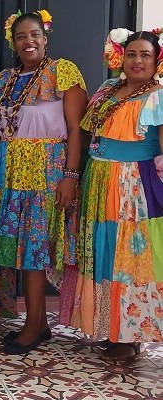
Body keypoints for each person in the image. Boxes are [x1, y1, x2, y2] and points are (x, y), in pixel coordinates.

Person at [0, 10, 87, 354]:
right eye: (21, 37)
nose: (28, 41)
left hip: (47, 169)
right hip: (11, 169)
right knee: (19, 246)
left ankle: (32, 325)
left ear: (45, 38)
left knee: (34, 246)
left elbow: (76, 129)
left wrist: (70, 176)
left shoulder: (63, 72)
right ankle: (38, 323)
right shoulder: (4, 79)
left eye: (34, 35)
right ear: (12, 43)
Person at [64, 29, 163, 361]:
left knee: (129, 259)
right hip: (98, 180)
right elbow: (87, 130)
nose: (137, 61)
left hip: (132, 186)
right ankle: (109, 326)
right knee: (103, 252)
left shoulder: (158, 97)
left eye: (145, 55)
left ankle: (130, 335)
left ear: (156, 59)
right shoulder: (108, 89)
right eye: (132, 54)